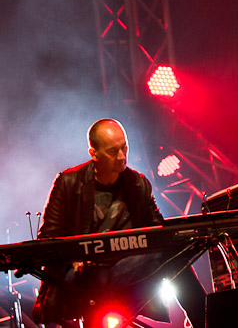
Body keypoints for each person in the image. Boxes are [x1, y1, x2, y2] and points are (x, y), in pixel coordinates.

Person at [31, 118, 206, 327]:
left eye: (124, 148)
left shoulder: (138, 183)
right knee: (92, 277)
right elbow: (48, 239)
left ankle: (205, 321)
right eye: (113, 151)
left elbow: (159, 234)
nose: (122, 156)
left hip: (127, 268)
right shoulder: (68, 182)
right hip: (83, 275)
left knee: (175, 257)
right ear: (94, 154)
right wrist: (75, 259)